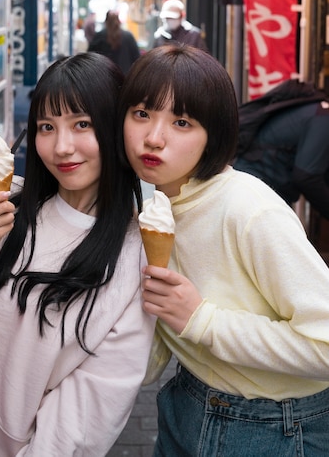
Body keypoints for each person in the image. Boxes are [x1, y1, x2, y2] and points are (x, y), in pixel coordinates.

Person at [0, 53, 154, 457]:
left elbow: (88, 414)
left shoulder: (134, 259)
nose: (62, 147)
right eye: (46, 127)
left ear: (115, 130)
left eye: (82, 124)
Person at [118, 44, 329, 456]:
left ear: (212, 135)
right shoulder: (149, 207)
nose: (154, 138)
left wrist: (203, 321)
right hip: (186, 405)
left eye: (181, 122)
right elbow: (159, 336)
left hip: (277, 428)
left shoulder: (248, 210)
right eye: (141, 114)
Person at [233, 94, 329, 219]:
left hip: (259, 182)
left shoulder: (319, 112)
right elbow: (306, 177)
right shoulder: (324, 119)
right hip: (259, 187)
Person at [88, 10, 140, 74]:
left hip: (104, 78)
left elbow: (90, 58)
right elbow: (137, 59)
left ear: (106, 21)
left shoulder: (99, 36)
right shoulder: (128, 36)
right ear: (118, 21)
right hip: (125, 78)